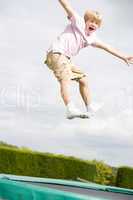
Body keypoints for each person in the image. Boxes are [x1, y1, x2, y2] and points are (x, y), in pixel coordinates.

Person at [44, 0, 133, 120]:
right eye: (91, 21)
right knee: (65, 79)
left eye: (96, 23)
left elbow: (107, 47)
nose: (93, 24)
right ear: (86, 21)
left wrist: (123, 56)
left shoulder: (92, 38)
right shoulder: (78, 21)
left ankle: (89, 107)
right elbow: (66, 6)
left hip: (66, 60)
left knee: (84, 80)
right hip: (57, 53)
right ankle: (70, 109)